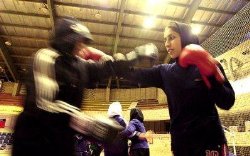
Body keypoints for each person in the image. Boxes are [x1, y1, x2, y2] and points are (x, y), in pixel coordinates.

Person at [115, 22, 235, 156]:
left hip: (210, 142)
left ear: (185, 37)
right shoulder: (165, 72)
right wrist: (121, 64)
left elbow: (227, 101)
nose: (166, 43)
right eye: (165, 39)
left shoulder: (207, 62)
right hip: (181, 145)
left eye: (171, 37)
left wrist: (211, 75)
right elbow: (137, 75)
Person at [11, 17, 123, 156]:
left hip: (62, 141)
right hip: (34, 141)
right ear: (67, 40)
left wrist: (131, 59)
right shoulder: (46, 57)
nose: (82, 46)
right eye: (78, 41)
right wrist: (86, 124)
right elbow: (44, 105)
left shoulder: (78, 65)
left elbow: (100, 69)